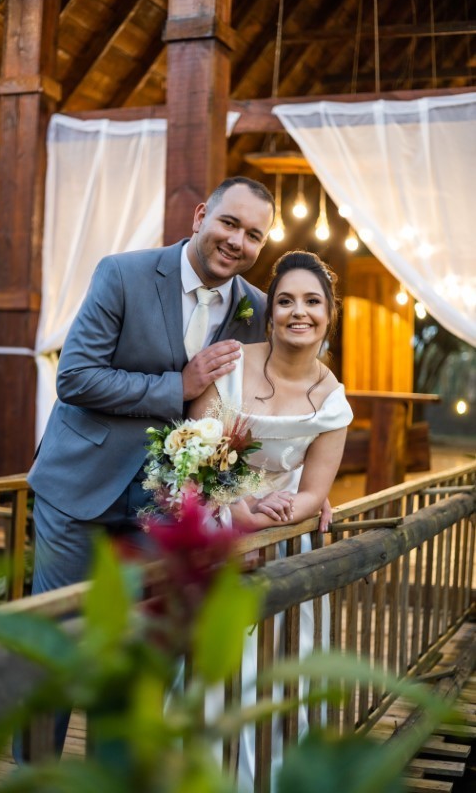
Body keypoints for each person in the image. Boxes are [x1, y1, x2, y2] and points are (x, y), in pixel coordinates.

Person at [23, 176, 276, 757]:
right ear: (201, 215)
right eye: (229, 223)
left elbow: (278, 394)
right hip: (78, 489)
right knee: (56, 643)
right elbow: (75, 377)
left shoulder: (257, 309)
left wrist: (310, 483)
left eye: (254, 235)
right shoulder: (123, 273)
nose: (237, 241)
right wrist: (176, 387)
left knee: (138, 655)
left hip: (164, 509)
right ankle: (34, 774)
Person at [188, 250, 353, 788]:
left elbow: (313, 495)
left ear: (329, 313)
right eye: (285, 301)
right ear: (270, 313)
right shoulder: (231, 366)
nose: (298, 312)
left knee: (279, 665)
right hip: (218, 526)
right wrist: (243, 512)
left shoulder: (333, 400)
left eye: (312, 302)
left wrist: (275, 516)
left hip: (285, 540)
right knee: (215, 661)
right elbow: (196, 451)